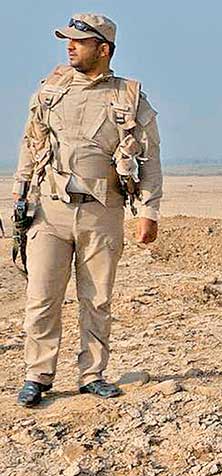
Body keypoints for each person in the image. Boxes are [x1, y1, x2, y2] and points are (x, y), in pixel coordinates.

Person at [12, 14, 162, 407]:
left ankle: (92, 374)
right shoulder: (49, 91)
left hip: (103, 211)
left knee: (96, 300)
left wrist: (149, 211)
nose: (70, 46)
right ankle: (37, 375)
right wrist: (19, 197)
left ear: (104, 49)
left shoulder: (129, 98)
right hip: (49, 211)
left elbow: (151, 160)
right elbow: (30, 146)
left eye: (79, 41)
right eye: (68, 40)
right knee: (41, 297)